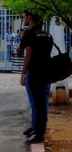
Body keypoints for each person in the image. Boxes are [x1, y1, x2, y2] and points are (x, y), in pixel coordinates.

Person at [19, 10, 53, 144]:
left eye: (24, 16)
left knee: (36, 103)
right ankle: (39, 129)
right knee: (42, 102)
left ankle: (39, 134)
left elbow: (25, 55)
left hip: (35, 74)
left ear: (30, 18)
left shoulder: (30, 34)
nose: (23, 18)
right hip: (47, 73)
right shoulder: (48, 36)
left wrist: (23, 74)